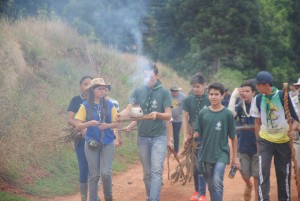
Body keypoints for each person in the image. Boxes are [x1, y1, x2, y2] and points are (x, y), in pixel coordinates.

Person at [118, 62, 172, 201]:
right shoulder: (138, 91)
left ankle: (154, 199)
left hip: (159, 137)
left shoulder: (164, 92)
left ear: (157, 76)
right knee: (147, 173)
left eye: (151, 77)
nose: (148, 80)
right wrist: (119, 115)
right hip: (142, 137)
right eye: (146, 77)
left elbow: (168, 115)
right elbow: (130, 109)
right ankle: (150, 197)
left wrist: (157, 114)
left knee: (155, 171)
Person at [250, 71, 299, 200]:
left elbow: (296, 120)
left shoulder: (284, 96)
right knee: (262, 172)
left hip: (283, 141)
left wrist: (291, 130)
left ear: (265, 85)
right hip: (265, 141)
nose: (257, 88)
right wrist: (258, 140)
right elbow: (257, 121)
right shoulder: (258, 98)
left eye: (258, 85)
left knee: (283, 174)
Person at [194, 82, 240, 201]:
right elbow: (197, 132)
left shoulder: (227, 114)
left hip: (221, 153)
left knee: (217, 182)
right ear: (208, 95)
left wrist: (235, 158)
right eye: (211, 94)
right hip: (206, 154)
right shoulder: (203, 113)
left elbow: (234, 137)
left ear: (222, 95)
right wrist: (193, 135)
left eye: (216, 94)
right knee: (210, 185)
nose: (213, 97)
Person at [75, 78, 119, 201]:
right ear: (92, 90)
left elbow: (117, 124)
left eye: (104, 88)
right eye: (99, 88)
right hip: (91, 143)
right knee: (94, 175)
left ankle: (108, 198)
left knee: (106, 173)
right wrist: (89, 123)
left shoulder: (110, 105)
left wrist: (107, 126)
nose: (103, 90)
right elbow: (78, 125)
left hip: (108, 142)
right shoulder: (84, 106)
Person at [228, 80, 258, 201]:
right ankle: (248, 184)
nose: (245, 94)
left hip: (257, 146)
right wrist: (233, 96)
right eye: (243, 91)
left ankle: (257, 198)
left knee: (256, 175)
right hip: (242, 144)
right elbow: (229, 117)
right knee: (244, 172)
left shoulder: (259, 104)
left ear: (253, 93)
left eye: (247, 91)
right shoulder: (240, 106)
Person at [182, 73, 209, 201]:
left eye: (198, 86)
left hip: (206, 137)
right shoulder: (188, 99)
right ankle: (197, 191)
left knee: (202, 164)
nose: (195, 89)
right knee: (194, 166)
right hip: (192, 137)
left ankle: (202, 194)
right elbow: (185, 117)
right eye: (193, 87)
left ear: (204, 85)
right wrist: (186, 135)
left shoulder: (210, 98)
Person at [67, 75, 93, 201]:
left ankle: (93, 196)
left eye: (90, 84)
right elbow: (70, 120)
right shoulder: (76, 100)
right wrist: (82, 127)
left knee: (95, 169)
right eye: (85, 84)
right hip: (81, 139)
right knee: (84, 167)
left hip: (97, 139)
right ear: (80, 86)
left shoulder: (99, 101)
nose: (87, 87)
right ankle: (84, 198)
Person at [170, 84, 186, 154]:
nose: (174, 92)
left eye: (176, 91)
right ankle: (168, 150)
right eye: (173, 91)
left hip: (178, 120)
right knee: (168, 135)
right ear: (171, 91)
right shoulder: (167, 96)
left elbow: (188, 103)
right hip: (168, 119)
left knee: (176, 135)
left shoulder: (183, 96)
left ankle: (176, 151)